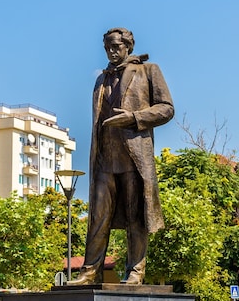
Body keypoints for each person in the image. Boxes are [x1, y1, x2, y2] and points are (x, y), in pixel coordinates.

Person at [68, 27, 174, 285]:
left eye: (116, 46)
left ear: (128, 46)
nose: (112, 51)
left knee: (136, 216)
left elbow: (167, 109)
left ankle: (135, 271)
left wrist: (135, 118)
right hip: (104, 160)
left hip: (133, 159)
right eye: (107, 47)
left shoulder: (148, 70)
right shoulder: (101, 79)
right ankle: (90, 271)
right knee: (97, 218)